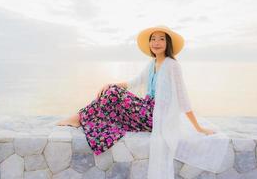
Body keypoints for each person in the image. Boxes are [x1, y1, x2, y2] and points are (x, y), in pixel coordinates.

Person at [56, 25, 215, 156]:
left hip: (156, 117)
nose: (156, 42)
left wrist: (198, 128)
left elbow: (183, 99)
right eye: (153, 39)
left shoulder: (172, 65)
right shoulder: (152, 63)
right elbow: (135, 82)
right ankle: (80, 117)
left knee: (113, 93)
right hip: (146, 108)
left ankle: (79, 117)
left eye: (161, 39)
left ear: (168, 44)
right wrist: (111, 83)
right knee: (112, 90)